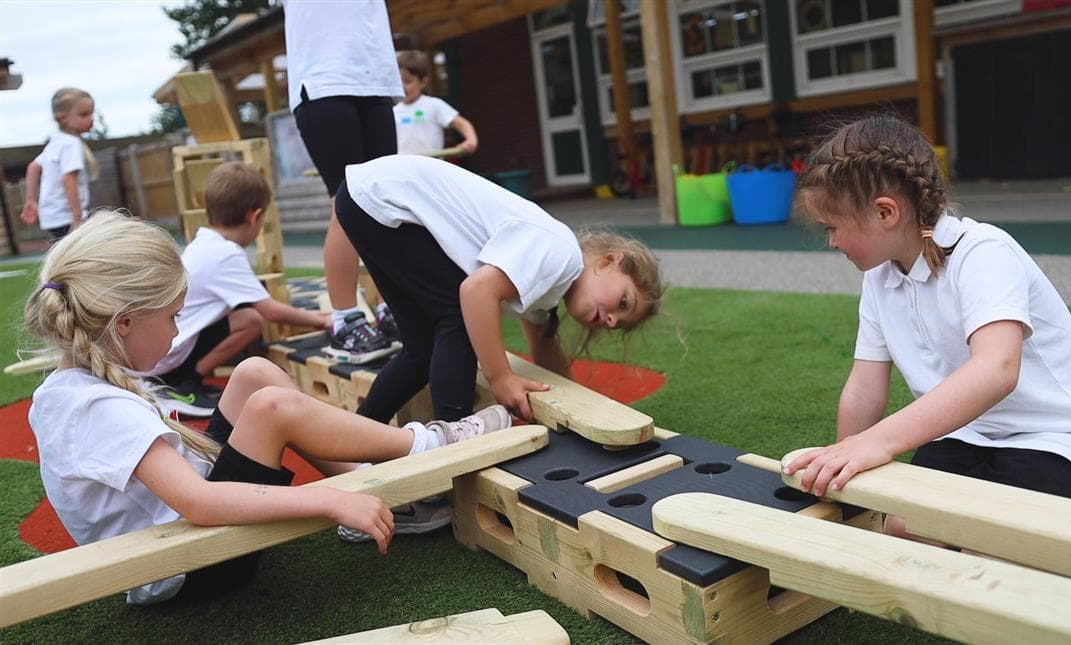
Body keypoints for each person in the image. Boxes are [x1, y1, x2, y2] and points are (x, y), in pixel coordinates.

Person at [25, 211, 512, 605]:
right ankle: (430, 444)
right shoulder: (96, 408)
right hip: (192, 568)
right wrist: (328, 500)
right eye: (174, 317)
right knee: (272, 407)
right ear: (125, 321)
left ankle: (378, 483)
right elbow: (199, 503)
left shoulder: (70, 387)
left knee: (254, 375)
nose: (178, 331)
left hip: (190, 534)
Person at [782, 114, 1071, 540]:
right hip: (965, 434)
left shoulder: (983, 253)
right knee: (902, 532)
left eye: (832, 227)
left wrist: (881, 441)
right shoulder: (879, 277)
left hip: (1055, 438)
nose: (831, 242)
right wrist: (841, 462)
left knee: (990, 553)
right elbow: (863, 386)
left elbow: (997, 370)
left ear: (885, 212)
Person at [332, 154, 663, 537]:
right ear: (608, 261)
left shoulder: (551, 280)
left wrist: (579, 413)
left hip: (366, 199)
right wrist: (501, 377)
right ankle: (451, 458)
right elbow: (476, 291)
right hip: (385, 200)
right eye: (622, 302)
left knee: (420, 349)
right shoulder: (561, 255)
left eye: (617, 324)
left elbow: (544, 344)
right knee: (455, 317)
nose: (610, 320)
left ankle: (353, 456)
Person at [145, 162, 330, 417]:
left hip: (164, 347)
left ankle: (183, 378)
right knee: (252, 319)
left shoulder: (205, 243)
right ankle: (181, 383)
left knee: (244, 316)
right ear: (254, 217)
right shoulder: (225, 254)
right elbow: (270, 311)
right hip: (166, 358)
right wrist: (322, 321)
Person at [285, 0, 403, 365]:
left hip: (374, 78)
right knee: (349, 199)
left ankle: (390, 307)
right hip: (324, 81)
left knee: (387, 204)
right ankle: (345, 319)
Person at [19, 88, 98, 241]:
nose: (91, 118)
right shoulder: (71, 144)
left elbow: (33, 167)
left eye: (91, 113)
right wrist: (77, 218)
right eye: (84, 114)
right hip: (66, 217)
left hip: (51, 217)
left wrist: (30, 201)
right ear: (63, 118)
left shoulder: (56, 141)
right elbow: (69, 179)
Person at [394, 50, 478, 156]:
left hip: (431, 165)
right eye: (398, 81)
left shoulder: (434, 105)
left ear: (423, 82)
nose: (402, 86)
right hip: (404, 166)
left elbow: (462, 123)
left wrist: (471, 140)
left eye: (407, 81)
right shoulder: (394, 112)